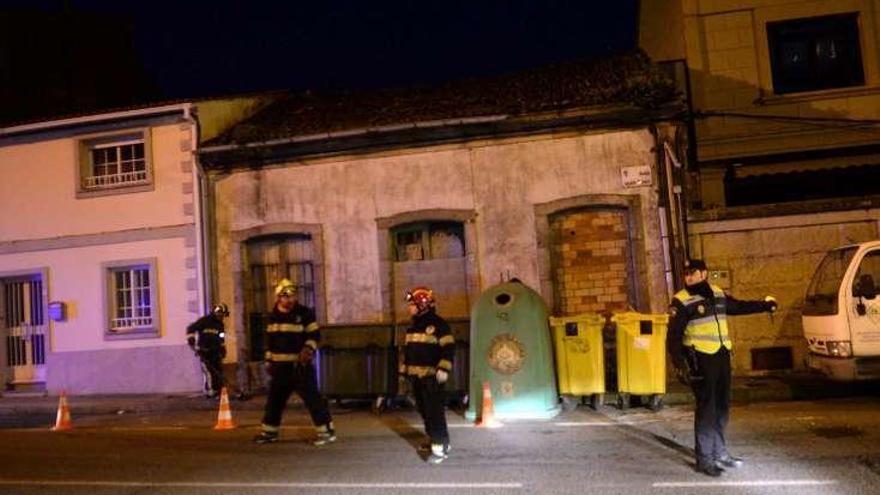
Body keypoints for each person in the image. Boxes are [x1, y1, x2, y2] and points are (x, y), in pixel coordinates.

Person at [667, 259, 777, 477]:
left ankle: (720, 452)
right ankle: (705, 459)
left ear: (704, 273)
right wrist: (680, 366)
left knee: (722, 407)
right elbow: (673, 337)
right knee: (707, 409)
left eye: (693, 272)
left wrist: (764, 305)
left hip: (721, 356)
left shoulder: (717, 293)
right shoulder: (681, 301)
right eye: (686, 273)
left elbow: (738, 306)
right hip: (700, 361)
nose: (688, 276)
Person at [253, 279, 335, 446]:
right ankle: (269, 432)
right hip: (279, 369)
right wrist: (269, 360)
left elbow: (315, 335)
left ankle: (326, 432)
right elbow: (270, 341)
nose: (290, 300)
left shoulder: (304, 314)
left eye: (292, 296)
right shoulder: (273, 316)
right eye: (285, 296)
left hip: (299, 368)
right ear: (278, 298)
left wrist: (308, 349)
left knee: (313, 400)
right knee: (274, 401)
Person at [401, 286, 455, 464]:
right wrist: (404, 371)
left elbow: (448, 348)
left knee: (434, 412)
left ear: (422, 305)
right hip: (416, 378)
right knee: (424, 411)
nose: (410, 308)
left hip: (432, 377)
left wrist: (444, 369)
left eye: (412, 305)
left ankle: (441, 447)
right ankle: (433, 440)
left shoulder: (438, 324)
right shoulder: (413, 326)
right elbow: (408, 352)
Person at [187, 303, 229, 399]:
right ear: (216, 313)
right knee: (209, 371)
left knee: (218, 370)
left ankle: (217, 390)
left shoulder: (220, 325)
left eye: (223, 315)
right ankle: (210, 391)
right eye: (221, 314)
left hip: (215, 351)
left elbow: (221, 337)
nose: (222, 317)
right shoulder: (204, 321)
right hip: (204, 351)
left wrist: (223, 348)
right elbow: (191, 329)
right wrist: (191, 340)